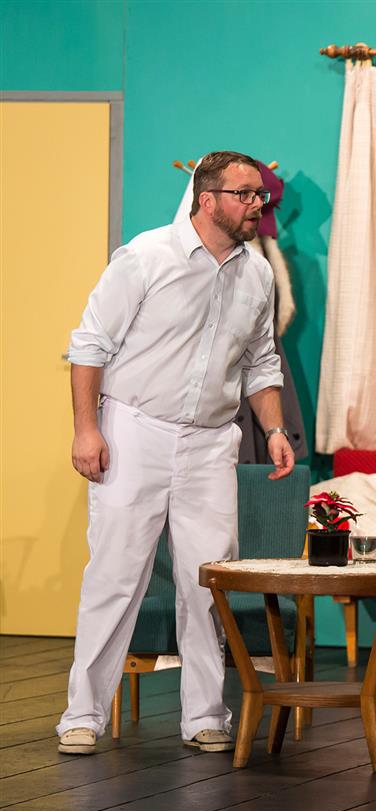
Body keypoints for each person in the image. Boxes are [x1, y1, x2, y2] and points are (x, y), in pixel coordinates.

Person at [58, 151, 295, 756]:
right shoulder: (145, 257)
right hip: (135, 429)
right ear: (206, 199)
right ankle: (82, 715)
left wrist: (273, 429)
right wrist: (87, 430)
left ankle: (205, 716)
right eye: (246, 195)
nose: (258, 205)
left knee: (207, 580)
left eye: (261, 195)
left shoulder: (257, 274)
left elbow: (261, 362)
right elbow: (89, 346)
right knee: (116, 575)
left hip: (211, 441)